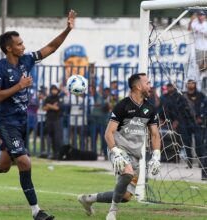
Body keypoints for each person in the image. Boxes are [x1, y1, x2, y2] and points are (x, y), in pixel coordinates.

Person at [0, 10, 76, 220]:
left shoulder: (26, 60)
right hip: (6, 123)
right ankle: (36, 211)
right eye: (19, 44)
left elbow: (51, 48)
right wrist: (19, 85)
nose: (23, 46)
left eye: (22, 43)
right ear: (9, 48)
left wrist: (68, 29)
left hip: (21, 122)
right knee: (25, 162)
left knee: (3, 166)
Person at [77, 73, 161, 220]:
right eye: (147, 83)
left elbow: (154, 134)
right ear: (138, 86)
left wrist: (156, 155)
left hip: (135, 155)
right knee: (127, 173)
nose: (150, 86)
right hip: (119, 150)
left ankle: (88, 199)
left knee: (126, 196)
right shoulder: (122, 106)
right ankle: (112, 212)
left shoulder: (150, 108)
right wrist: (115, 152)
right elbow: (109, 133)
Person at [159, 83, 194, 168]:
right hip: (167, 121)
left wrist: (177, 121)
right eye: (168, 86)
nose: (169, 88)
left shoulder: (179, 97)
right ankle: (171, 158)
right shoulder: (164, 97)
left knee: (185, 141)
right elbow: (161, 108)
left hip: (180, 122)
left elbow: (183, 110)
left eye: (171, 86)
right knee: (168, 139)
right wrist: (161, 118)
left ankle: (189, 161)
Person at [183, 78, 207, 178]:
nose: (191, 85)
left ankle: (201, 161)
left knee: (199, 143)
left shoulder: (200, 95)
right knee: (187, 143)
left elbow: (202, 108)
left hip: (198, 123)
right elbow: (179, 108)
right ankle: (189, 161)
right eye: (189, 83)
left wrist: (200, 117)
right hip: (186, 122)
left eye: (192, 83)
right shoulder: (183, 96)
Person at [43, 84, 62, 160]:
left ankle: (58, 154)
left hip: (56, 120)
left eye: (55, 89)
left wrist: (49, 106)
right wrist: (52, 106)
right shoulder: (48, 98)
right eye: (53, 89)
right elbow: (44, 108)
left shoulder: (59, 98)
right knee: (49, 137)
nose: (54, 91)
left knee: (57, 138)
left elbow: (57, 108)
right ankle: (52, 153)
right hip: (49, 120)